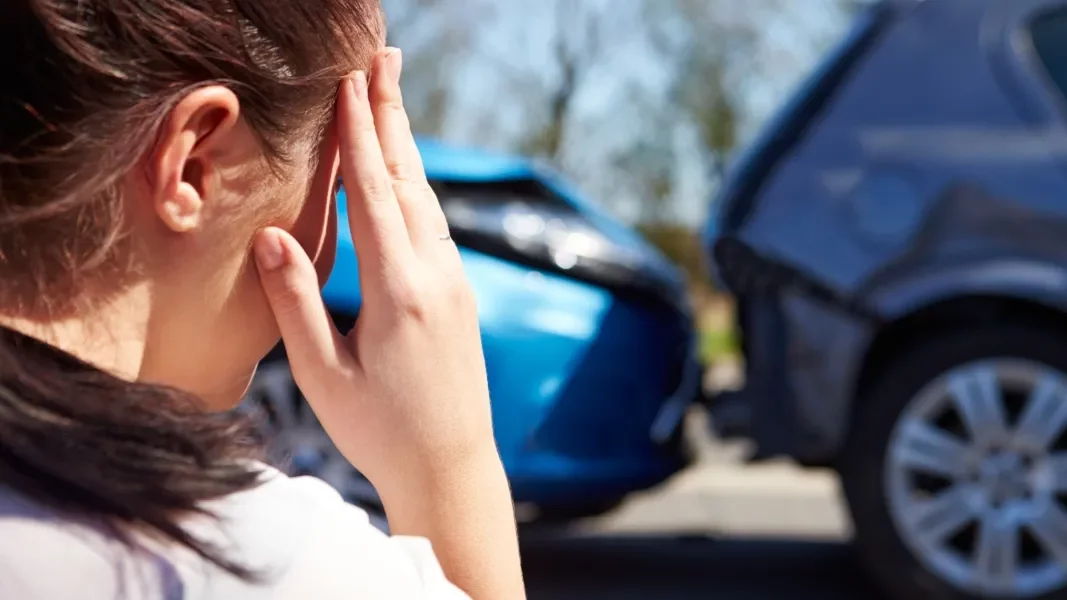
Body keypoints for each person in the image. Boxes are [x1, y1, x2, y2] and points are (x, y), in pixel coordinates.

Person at [0, 0, 526, 598]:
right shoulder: (255, 561)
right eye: (336, 188)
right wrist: (452, 465)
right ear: (195, 166)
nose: (328, 255)